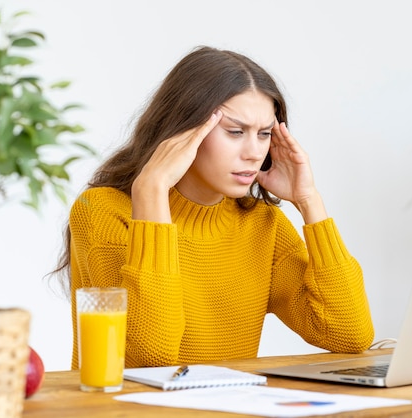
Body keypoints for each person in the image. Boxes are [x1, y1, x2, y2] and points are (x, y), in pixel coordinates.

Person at [54, 46, 374, 369]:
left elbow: (350, 334)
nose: (253, 152)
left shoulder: (264, 225)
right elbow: (150, 353)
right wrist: (151, 190)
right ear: (183, 130)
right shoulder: (102, 211)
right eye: (235, 132)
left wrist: (309, 201)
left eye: (264, 134)